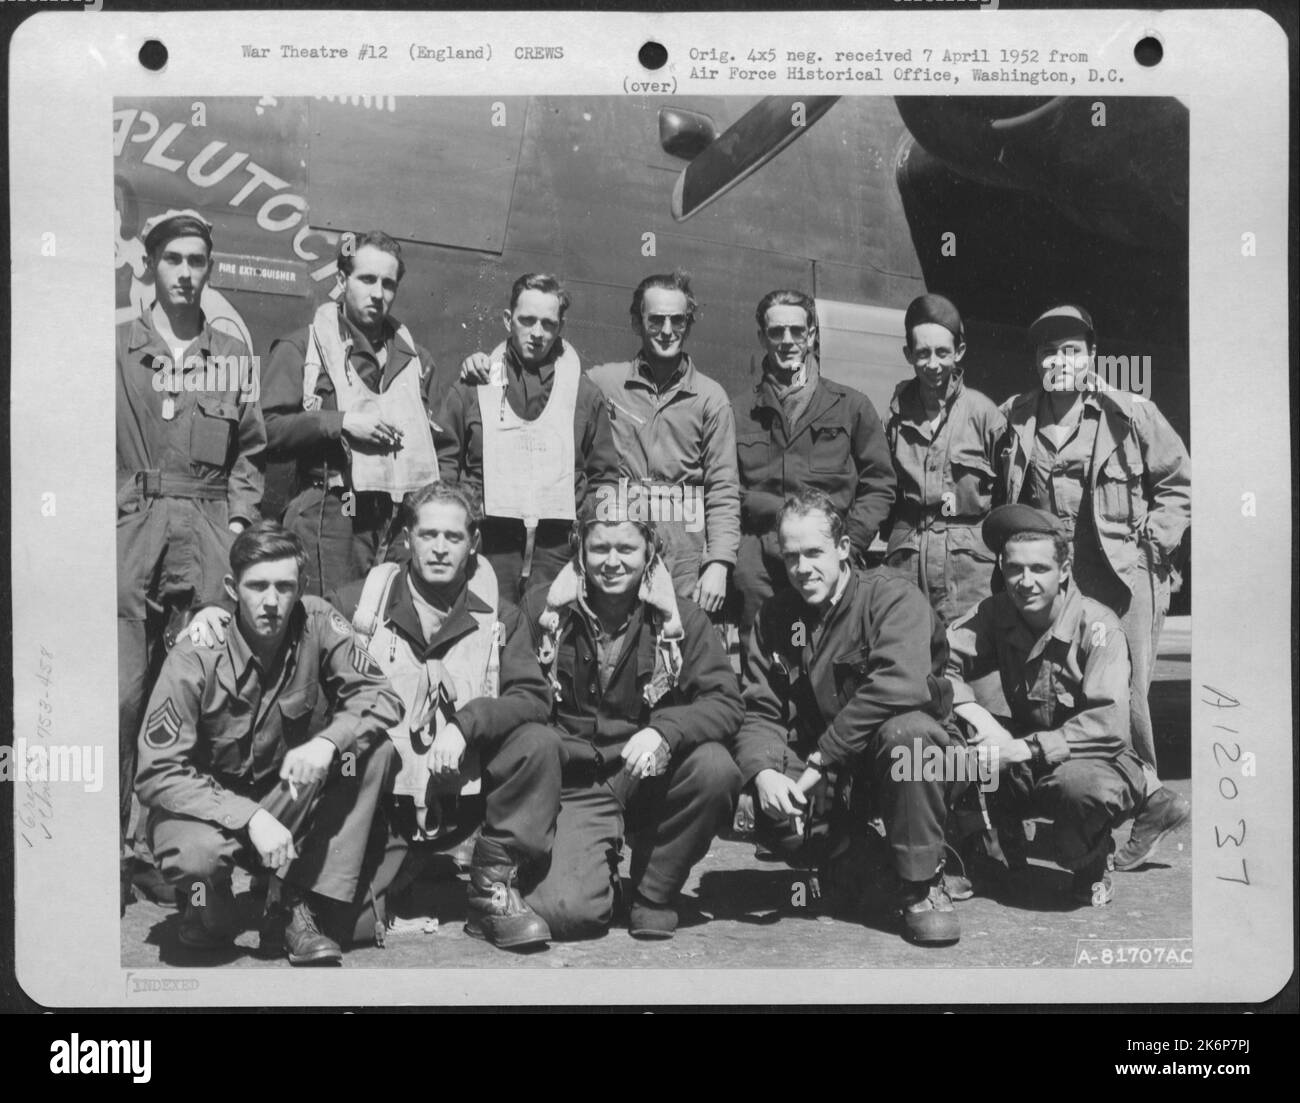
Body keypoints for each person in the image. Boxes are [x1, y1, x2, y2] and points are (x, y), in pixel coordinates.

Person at [134, 523, 404, 964]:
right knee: (199, 872)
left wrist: (331, 743)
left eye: (284, 587)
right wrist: (250, 817)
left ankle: (297, 902)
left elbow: (382, 696)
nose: (272, 601)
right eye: (257, 586)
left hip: (290, 800)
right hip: (211, 815)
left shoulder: (317, 622)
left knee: (371, 751)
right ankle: (205, 904)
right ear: (231, 588)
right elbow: (157, 773)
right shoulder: (196, 656)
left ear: (302, 588)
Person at [997, 304, 1191, 871]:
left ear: (1092, 357)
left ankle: (1142, 804)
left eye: (1072, 350)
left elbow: (1178, 482)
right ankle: (1127, 806)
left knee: (1123, 700)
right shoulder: (1016, 417)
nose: (1061, 360)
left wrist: (1155, 542)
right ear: (1037, 360)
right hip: (1060, 580)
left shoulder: (1131, 412)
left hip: (1125, 575)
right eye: (1049, 351)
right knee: (1064, 689)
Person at [328, 483, 562, 950]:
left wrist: (466, 722)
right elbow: (295, 636)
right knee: (345, 927)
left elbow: (534, 696)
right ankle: (390, 866)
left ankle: (490, 886)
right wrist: (213, 612)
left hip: (467, 790)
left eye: (452, 538)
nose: (438, 548)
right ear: (408, 538)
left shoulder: (502, 615)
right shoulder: (357, 605)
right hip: (381, 797)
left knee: (538, 743)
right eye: (427, 534)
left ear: (473, 543)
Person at [733, 489, 961, 945]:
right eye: (791, 556)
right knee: (763, 804)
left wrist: (822, 758)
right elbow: (760, 709)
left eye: (815, 552)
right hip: (831, 773)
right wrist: (762, 774)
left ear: (843, 548)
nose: (802, 569)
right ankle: (855, 854)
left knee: (908, 739)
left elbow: (897, 686)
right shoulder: (776, 617)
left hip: (900, 761)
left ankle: (921, 882)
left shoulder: (892, 598)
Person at [117, 208, 266, 903]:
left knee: (191, 695)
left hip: (208, 531)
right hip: (134, 528)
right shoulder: (116, 350)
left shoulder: (233, 354)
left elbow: (251, 455)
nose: (184, 272)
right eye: (172, 258)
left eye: (196, 260)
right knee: (122, 693)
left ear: (210, 268)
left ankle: (159, 845)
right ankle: (111, 847)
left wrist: (236, 526)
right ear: (150, 265)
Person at [518, 496, 744, 940]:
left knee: (715, 767)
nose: (612, 562)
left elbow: (725, 703)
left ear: (650, 552)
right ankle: (595, 872)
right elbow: (517, 696)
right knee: (567, 915)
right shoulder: (543, 612)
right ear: (580, 550)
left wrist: (664, 731)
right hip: (579, 780)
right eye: (599, 548)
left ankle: (653, 892)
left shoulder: (684, 619)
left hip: (651, 776)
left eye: (627, 549)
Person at [945, 505, 1152, 906]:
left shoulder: (1098, 625)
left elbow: (1108, 724)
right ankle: (989, 855)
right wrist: (979, 717)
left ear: (1064, 570)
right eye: (1014, 570)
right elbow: (935, 662)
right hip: (1023, 754)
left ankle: (1090, 861)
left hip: (1097, 760)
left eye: (1039, 569)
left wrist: (1022, 749)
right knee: (945, 749)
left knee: (1078, 788)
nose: (1025, 582)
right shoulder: (996, 612)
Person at [260, 230, 441, 598]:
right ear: (342, 280)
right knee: (326, 625)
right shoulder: (302, 347)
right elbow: (266, 430)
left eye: (388, 284)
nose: (378, 293)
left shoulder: (416, 360)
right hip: (330, 514)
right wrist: (340, 422)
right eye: (367, 279)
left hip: (394, 520)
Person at [437, 273, 620, 600]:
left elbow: (604, 476)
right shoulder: (474, 385)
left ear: (560, 326)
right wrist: (454, 524)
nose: (537, 333)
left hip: (557, 549)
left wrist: (586, 528)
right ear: (508, 320)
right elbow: (444, 462)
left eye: (548, 324)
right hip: (488, 543)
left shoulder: (584, 394)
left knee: (547, 635)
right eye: (527, 320)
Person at [732, 290, 895, 633]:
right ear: (762, 337)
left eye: (797, 331)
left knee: (831, 659)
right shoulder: (737, 413)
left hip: (828, 557)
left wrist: (851, 541)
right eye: (776, 332)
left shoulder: (851, 406)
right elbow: (724, 488)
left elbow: (880, 482)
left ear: (812, 335)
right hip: (760, 562)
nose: (787, 341)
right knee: (763, 664)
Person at [584, 272, 740, 612]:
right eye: (655, 320)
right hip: (620, 551)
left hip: (684, 557)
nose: (667, 331)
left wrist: (719, 563)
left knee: (679, 649)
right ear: (636, 322)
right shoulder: (604, 383)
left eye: (677, 321)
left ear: (688, 324)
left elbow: (723, 487)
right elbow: (555, 375)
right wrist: (487, 365)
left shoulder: (711, 398)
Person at [884, 294, 1005, 623]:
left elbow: (1009, 496)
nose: (933, 364)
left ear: (959, 352)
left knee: (967, 661)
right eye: (922, 353)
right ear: (908, 354)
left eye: (942, 352)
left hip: (969, 574)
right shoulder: (893, 419)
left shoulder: (984, 415)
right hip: (907, 566)